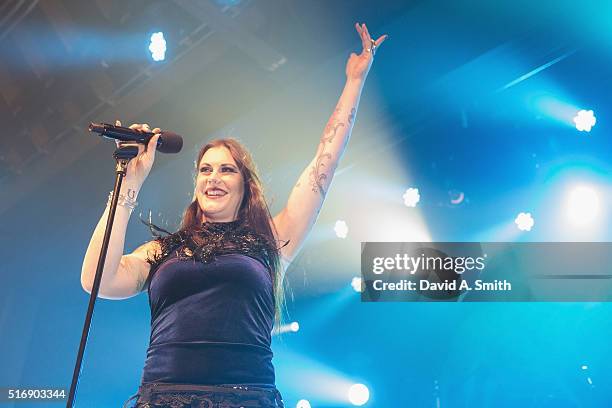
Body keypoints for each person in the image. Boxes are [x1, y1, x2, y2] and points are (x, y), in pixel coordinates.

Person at [81, 23, 387, 408]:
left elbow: (324, 164)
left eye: (226, 169)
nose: (213, 177)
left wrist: (354, 82)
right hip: (164, 398)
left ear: (246, 185)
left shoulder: (271, 241)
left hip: (245, 398)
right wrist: (130, 184)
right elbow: (97, 281)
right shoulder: (162, 250)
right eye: (205, 170)